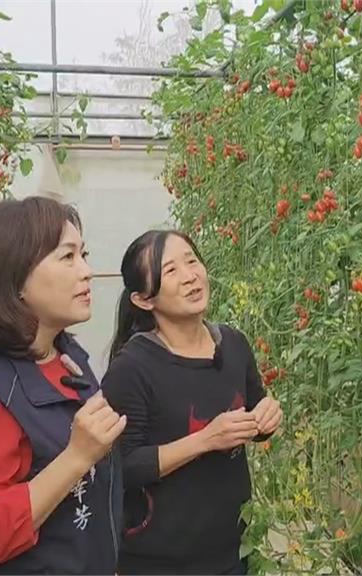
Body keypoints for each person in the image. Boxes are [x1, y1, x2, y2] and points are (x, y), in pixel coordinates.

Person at [0, 197, 126, 574]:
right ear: (15, 278)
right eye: (68, 257)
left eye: (84, 254)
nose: (87, 272)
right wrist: (77, 457)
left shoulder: (66, 355)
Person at [101, 229, 283, 575]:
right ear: (143, 299)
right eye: (170, 271)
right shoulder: (133, 368)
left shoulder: (232, 344)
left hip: (231, 551)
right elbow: (121, 466)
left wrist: (265, 419)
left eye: (192, 261)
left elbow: (254, 411)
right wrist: (205, 440)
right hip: (160, 562)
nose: (190, 276)